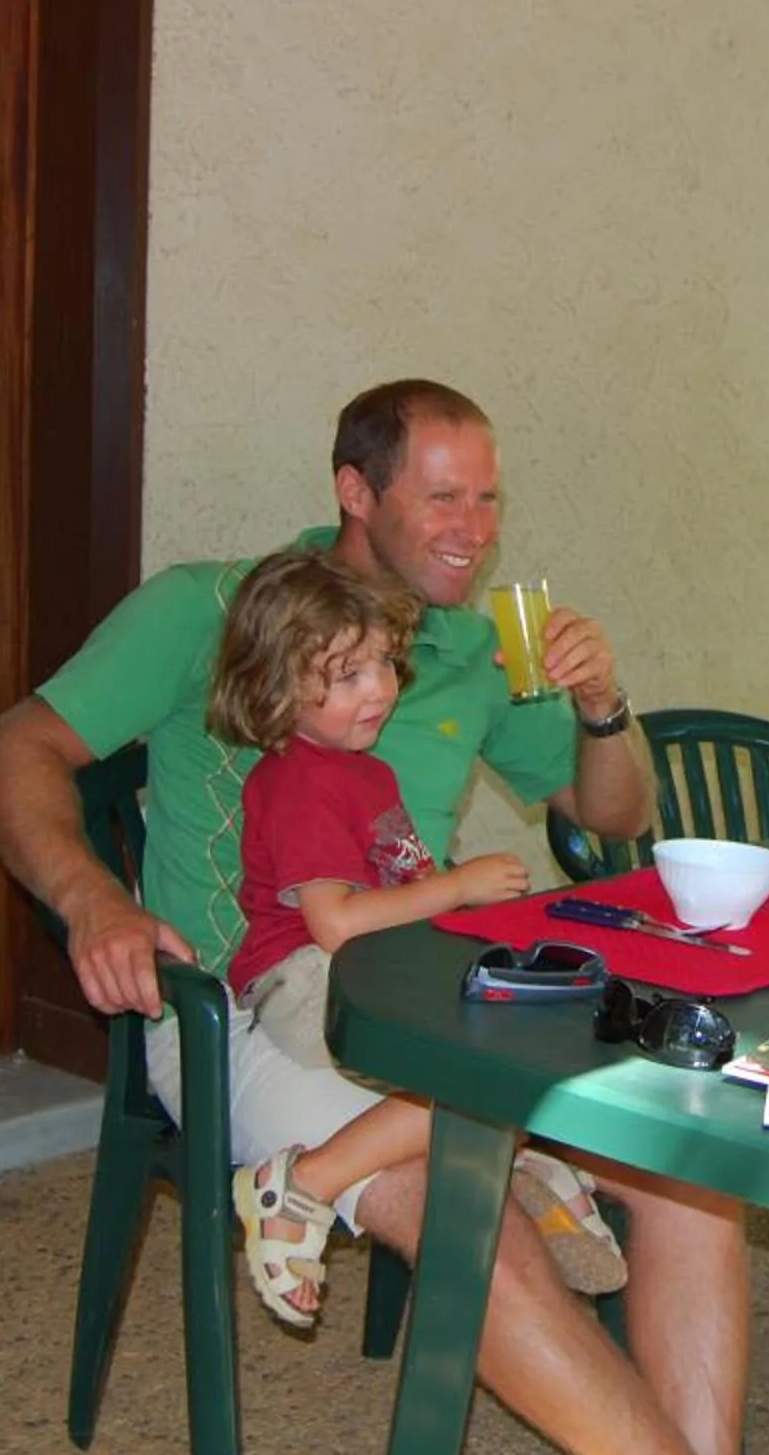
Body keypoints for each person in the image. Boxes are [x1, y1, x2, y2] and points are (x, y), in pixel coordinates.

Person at [0, 379, 769, 1455]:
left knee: (690, 1168)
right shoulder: (211, 607)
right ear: (354, 495)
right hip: (242, 1008)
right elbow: (17, 748)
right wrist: (91, 900)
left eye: (488, 497)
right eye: (442, 496)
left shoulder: (476, 649)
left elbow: (611, 818)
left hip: (431, 996)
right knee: (461, 1192)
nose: (475, 526)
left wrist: (600, 705)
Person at [203, 546, 624, 1327]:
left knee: (527, 1017)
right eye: (348, 674)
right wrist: (458, 887)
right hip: (304, 981)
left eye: (386, 666)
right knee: (471, 1068)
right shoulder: (299, 782)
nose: (380, 692)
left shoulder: (368, 773)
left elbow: (400, 898)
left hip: (365, 969)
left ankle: (516, 1157)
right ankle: (303, 1186)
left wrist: (474, 924)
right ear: (276, 684)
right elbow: (333, 922)